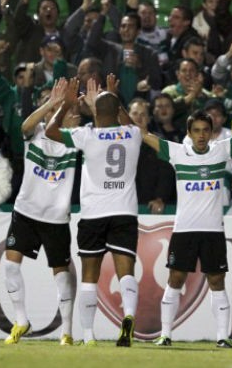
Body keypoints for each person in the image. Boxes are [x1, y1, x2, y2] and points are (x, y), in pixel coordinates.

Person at [142, 90, 232, 348]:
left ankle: (222, 337)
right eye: (196, 130)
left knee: (217, 282)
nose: (201, 134)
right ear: (189, 134)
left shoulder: (222, 150)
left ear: (211, 133)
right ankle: (165, 335)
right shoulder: (177, 153)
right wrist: (121, 115)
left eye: (205, 130)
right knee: (175, 280)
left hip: (212, 231)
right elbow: (146, 136)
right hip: (184, 231)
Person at [45, 78, 142, 347]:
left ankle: (88, 336)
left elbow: (51, 131)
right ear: (119, 110)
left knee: (90, 275)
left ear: (96, 113)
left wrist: (65, 105)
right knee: (126, 271)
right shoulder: (133, 135)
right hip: (124, 212)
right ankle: (130, 316)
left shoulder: (87, 135)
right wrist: (113, 95)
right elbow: (126, 121)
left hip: (93, 213)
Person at [3, 78, 79, 345]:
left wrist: (68, 105)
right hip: (25, 211)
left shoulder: (76, 140)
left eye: (75, 114)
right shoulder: (35, 134)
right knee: (10, 266)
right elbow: (24, 125)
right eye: (71, 113)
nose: (74, 117)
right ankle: (21, 321)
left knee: (61, 274)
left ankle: (66, 332)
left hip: (56, 217)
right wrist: (52, 103)